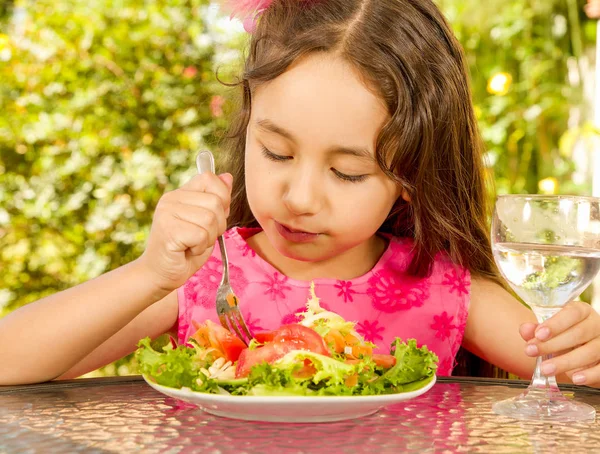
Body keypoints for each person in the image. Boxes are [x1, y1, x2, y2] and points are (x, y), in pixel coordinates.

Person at [2, 0, 600, 387]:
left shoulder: (439, 289)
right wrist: (148, 275)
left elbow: (568, 368)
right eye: (277, 153)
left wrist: (587, 348)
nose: (301, 197)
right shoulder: (208, 274)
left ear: (412, 181)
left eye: (348, 172)